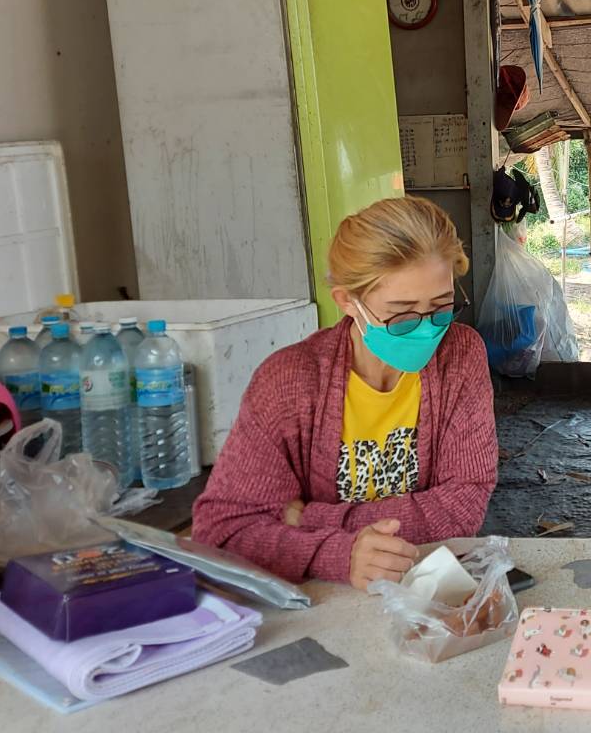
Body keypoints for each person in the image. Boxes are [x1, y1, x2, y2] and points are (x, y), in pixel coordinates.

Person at [192, 196, 497, 588]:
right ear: (348, 302)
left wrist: (311, 519)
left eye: (441, 308)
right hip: (323, 602)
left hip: (423, 590)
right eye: (402, 315)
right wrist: (337, 554)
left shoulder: (460, 354)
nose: (427, 330)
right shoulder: (289, 382)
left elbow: (463, 504)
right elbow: (222, 532)